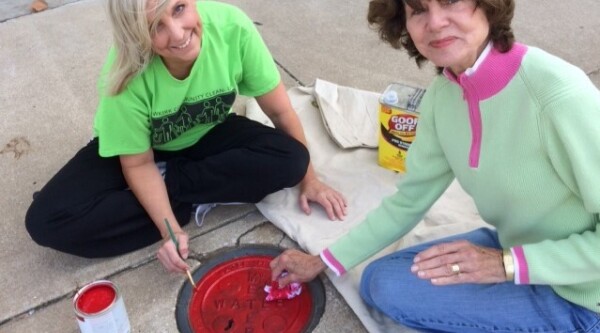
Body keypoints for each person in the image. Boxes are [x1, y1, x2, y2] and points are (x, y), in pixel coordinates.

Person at [270, 0, 600, 331]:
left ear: (490, 6)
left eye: (450, 1)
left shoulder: (559, 94)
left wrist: (506, 265)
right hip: (517, 247)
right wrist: (323, 261)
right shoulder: (442, 97)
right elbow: (409, 200)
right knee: (379, 283)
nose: (435, 22)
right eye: (417, 9)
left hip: (584, 297)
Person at [25, 0, 347, 276]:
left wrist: (311, 181)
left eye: (179, 8)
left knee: (292, 160)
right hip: (140, 150)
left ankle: (173, 194)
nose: (178, 33)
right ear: (136, 36)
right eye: (155, 27)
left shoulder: (233, 27)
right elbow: (137, 163)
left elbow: (281, 113)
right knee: (47, 221)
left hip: (210, 133)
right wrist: (171, 229)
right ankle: (185, 198)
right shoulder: (124, 72)